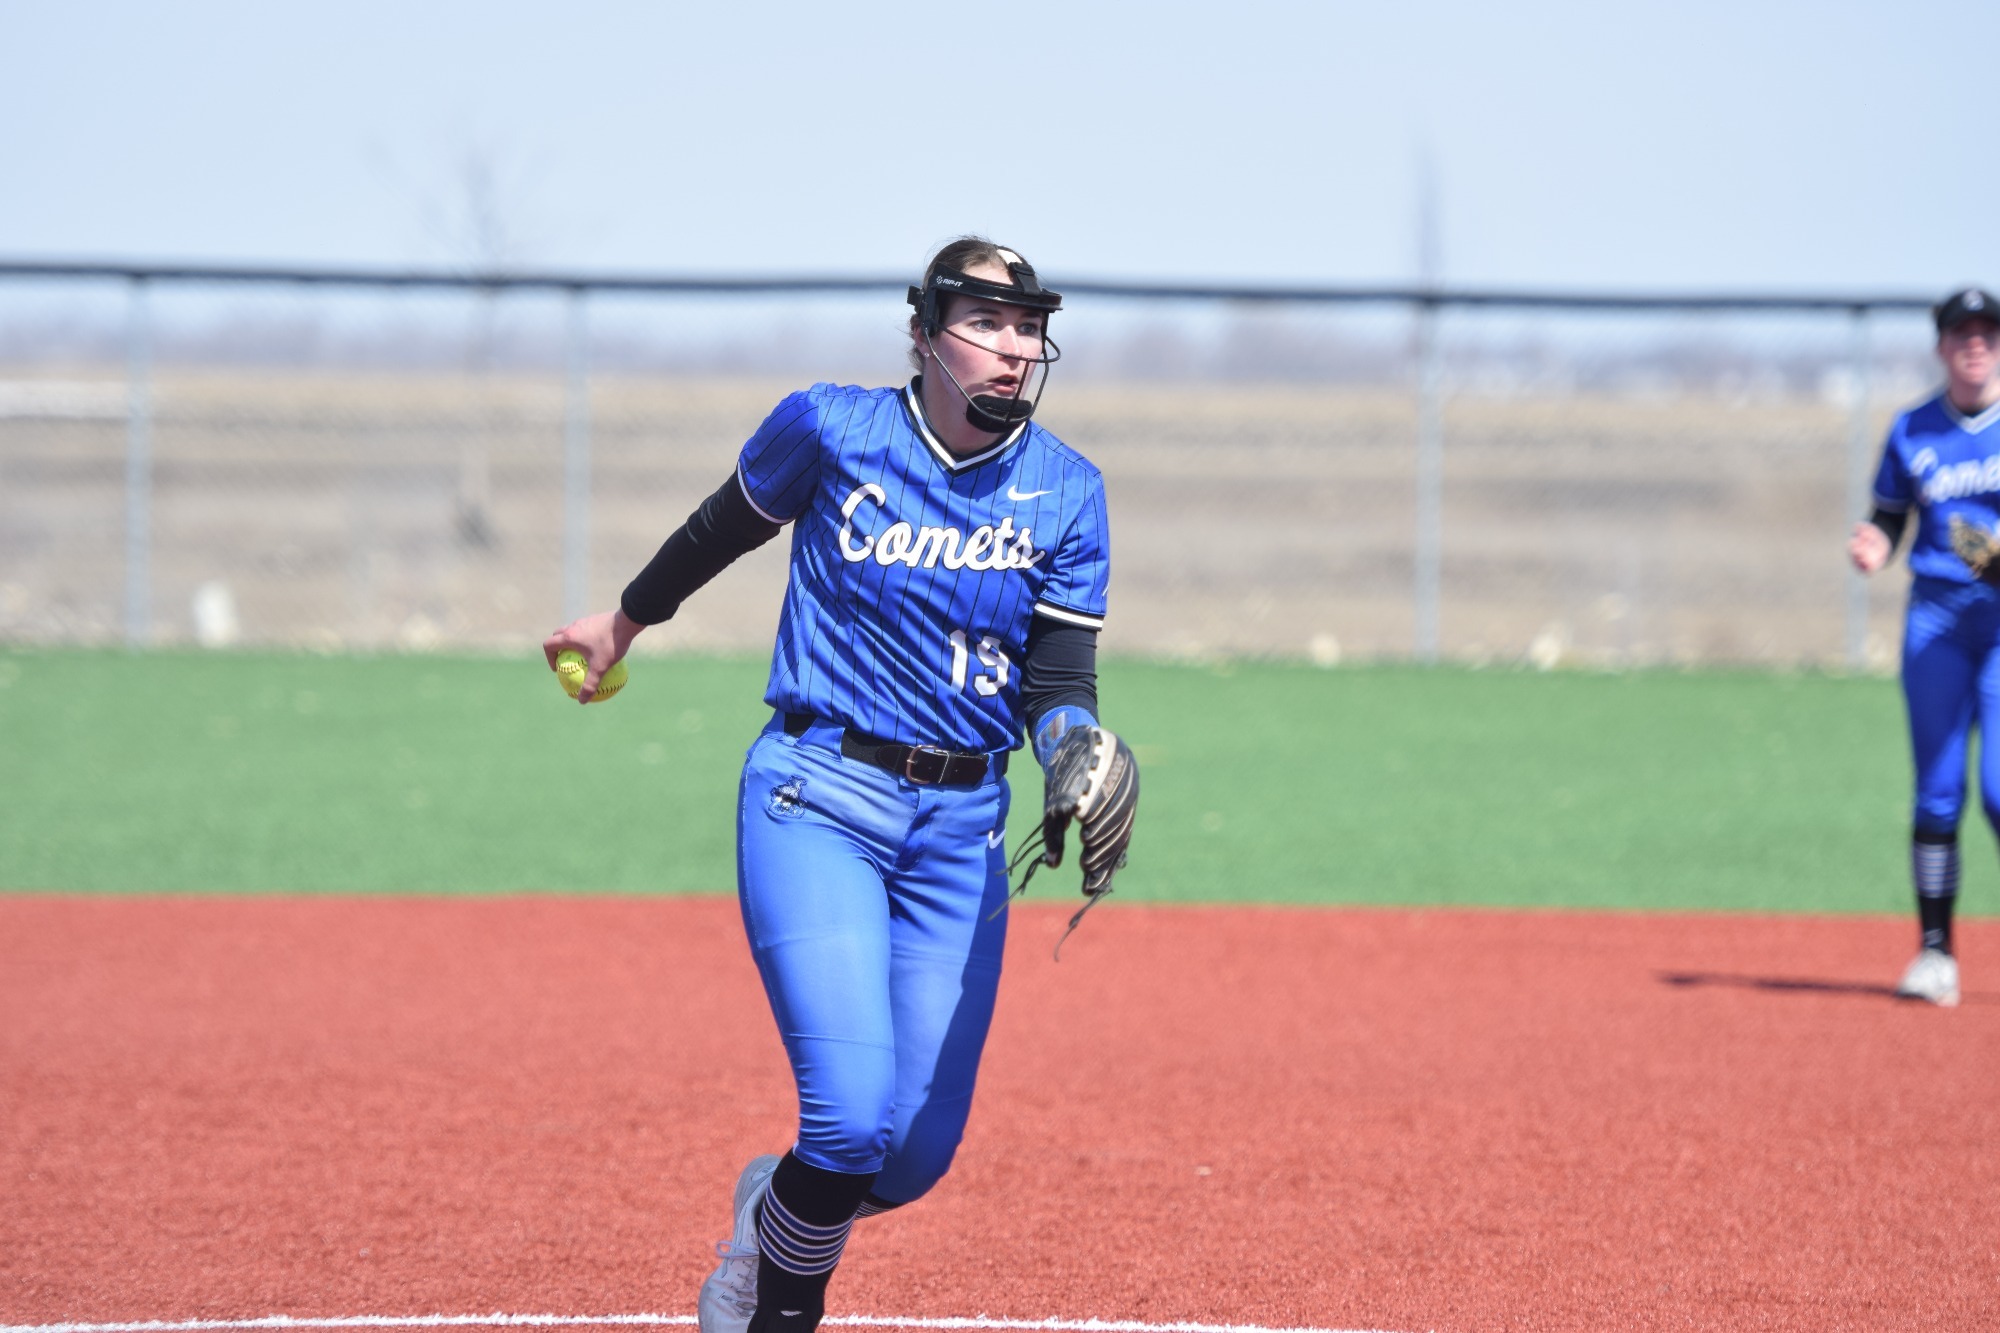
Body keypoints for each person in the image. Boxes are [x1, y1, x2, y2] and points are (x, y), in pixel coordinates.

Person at [542, 237, 1138, 1332]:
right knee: (850, 1118)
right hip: (818, 794)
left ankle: (768, 1214)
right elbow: (720, 528)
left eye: (1026, 327)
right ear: (920, 333)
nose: (1013, 348)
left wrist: (1069, 749)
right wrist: (621, 620)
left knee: (906, 1158)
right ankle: (770, 1305)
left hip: (960, 830)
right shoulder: (832, 427)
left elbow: (1059, 679)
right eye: (985, 323)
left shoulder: (1065, 491)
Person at [1848, 285, 2000, 1008]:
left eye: (1988, 333)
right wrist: (1874, 543)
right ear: (1941, 345)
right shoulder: (1914, 428)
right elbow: (1889, 514)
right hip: (1937, 622)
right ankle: (1935, 952)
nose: (1976, 344)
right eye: (1961, 333)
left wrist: (1991, 557)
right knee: (1938, 792)